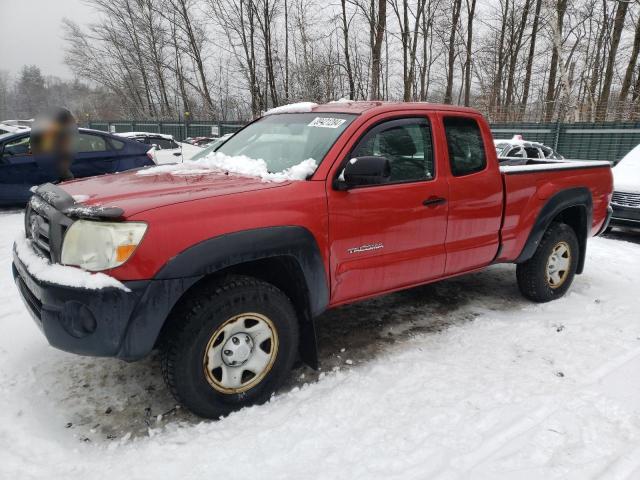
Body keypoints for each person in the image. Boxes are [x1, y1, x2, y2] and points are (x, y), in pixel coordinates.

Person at [30, 107, 78, 182]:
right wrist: (65, 160)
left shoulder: (50, 128)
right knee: (68, 178)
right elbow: (63, 147)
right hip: (55, 157)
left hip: (46, 156)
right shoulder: (62, 130)